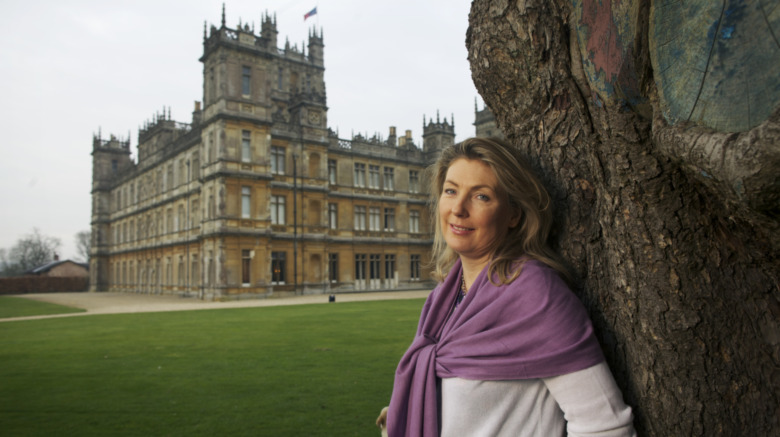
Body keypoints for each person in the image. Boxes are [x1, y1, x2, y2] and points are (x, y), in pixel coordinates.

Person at [376, 138, 635, 436]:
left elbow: (606, 425)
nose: (458, 208)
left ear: (514, 214)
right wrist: (404, 408)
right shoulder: (445, 297)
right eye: (451, 191)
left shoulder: (535, 295)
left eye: (481, 196)